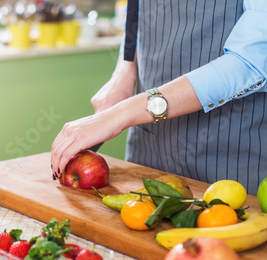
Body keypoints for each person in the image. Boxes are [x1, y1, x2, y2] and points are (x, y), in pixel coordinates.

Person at [50, 0, 267, 195]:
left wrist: (122, 113)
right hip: (149, 147)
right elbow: (136, 8)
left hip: (228, 155)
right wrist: (125, 71)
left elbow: (251, 63)